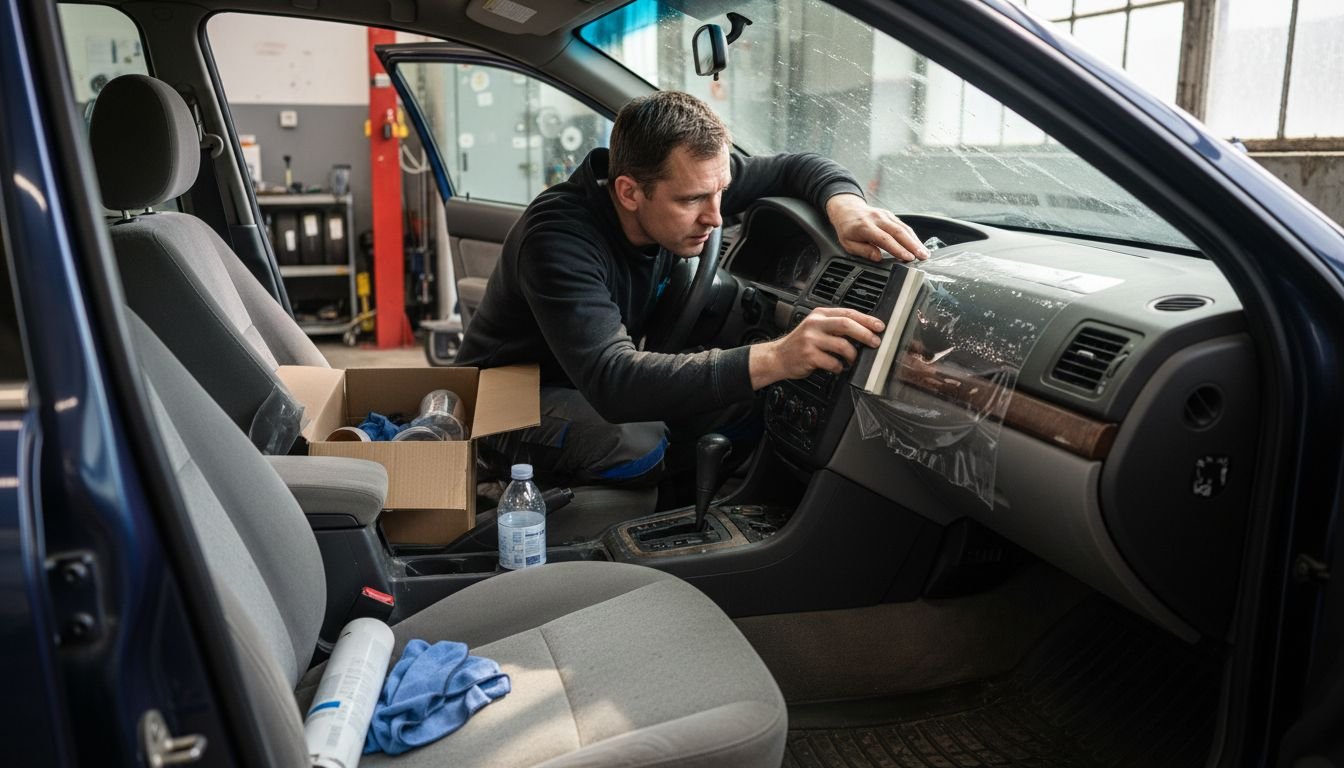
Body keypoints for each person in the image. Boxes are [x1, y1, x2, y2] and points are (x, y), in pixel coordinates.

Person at [456, 91, 927, 489]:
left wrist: (846, 207)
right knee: (636, 438)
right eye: (693, 201)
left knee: (750, 399)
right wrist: (777, 356)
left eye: (721, 190)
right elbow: (614, 382)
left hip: (579, 383)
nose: (716, 215)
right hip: (499, 399)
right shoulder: (558, 239)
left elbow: (795, 166)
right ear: (629, 192)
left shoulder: (690, 179)